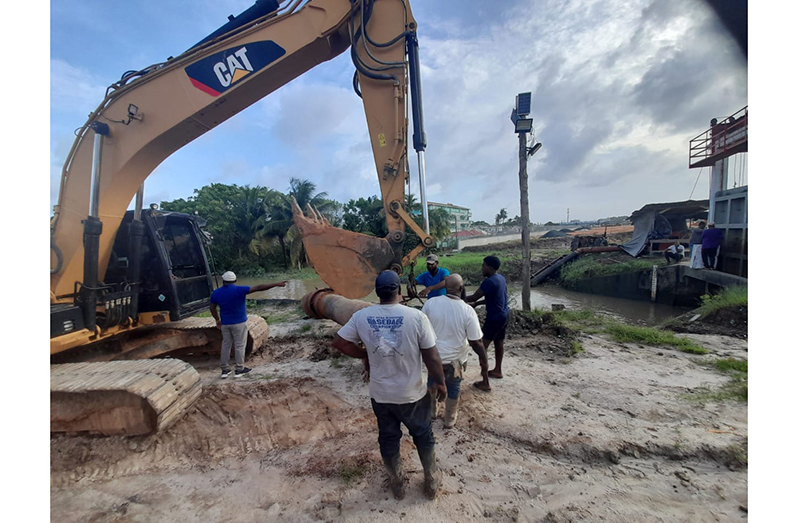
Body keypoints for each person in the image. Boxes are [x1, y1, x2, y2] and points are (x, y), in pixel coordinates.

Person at [332, 270, 447, 500]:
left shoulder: (362, 316)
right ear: (400, 291)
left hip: (381, 395)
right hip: (412, 393)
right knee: (423, 435)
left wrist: (363, 355)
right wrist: (441, 382)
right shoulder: (416, 317)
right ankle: (431, 481)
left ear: (377, 292)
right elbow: (431, 356)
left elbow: (340, 343)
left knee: (388, 437)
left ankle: (397, 482)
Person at [422, 274, 491, 429]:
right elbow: (475, 341)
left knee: (432, 383)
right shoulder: (467, 310)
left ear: (445, 286)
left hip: (434, 357)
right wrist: (484, 359)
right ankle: (449, 420)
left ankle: (431, 413)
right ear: (461, 288)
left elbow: (421, 331)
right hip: (456, 360)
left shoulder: (430, 304)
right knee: (453, 387)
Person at [210, 271, 286, 379]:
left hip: (225, 324)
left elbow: (212, 308)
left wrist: (217, 320)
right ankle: (239, 369)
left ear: (223, 281)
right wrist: (276, 284)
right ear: (235, 281)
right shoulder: (239, 290)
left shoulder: (216, 293)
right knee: (239, 345)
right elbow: (259, 287)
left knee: (226, 345)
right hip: (239, 323)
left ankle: (225, 370)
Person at [465, 256, 510, 379]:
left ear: (490, 268)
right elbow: (494, 298)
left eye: (483, 266)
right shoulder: (500, 278)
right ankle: (497, 370)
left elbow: (474, 297)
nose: (482, 268)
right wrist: (477, 304)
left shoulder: (488, 282)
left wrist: (457, 296)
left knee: (481, 346)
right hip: (504, 315)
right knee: (499, 343)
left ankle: (484, 380)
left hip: (494, 317)